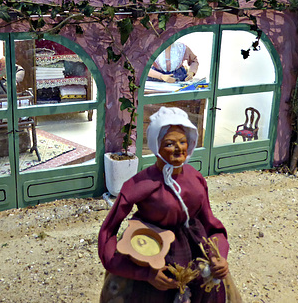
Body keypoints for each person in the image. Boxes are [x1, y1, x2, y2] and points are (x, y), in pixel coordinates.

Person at [98, 106, 229, 302]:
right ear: (156, 146)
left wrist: (219, 256)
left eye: (183, 142)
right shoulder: (139, 185)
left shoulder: (196, 180)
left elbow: (211, 225)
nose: (179, 149)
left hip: (194, 254)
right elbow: (108, 231)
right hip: (151, 254)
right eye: (169, 143)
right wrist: (140, 273)